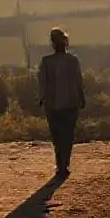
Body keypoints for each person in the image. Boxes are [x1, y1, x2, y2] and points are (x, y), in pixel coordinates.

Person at [37, 27, 85, 176]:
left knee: (57, 136)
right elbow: (79, 81)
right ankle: (64, 164)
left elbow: (42, 82)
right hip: (71, 103)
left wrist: (41, 98)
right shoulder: (73, 60)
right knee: (68, 134)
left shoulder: (46, 62)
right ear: (66, 43)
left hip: (52, 104)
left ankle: (60, 164)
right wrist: (82, 98)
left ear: (53, 44)